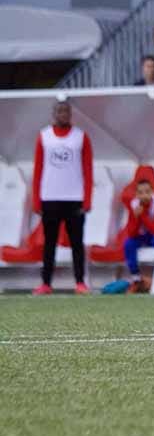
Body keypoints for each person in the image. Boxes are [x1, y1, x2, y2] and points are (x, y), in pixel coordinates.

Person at [31, 99, 93, 295]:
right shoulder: (44, 136)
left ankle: (80, 282)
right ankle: (46, 283)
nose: (63, 114)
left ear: (70, 113)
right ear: (54, 114)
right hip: (49, 197)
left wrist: (87, 199)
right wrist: (36, 199)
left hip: (74, 197)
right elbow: (38, 169)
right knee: (49, 243)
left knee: (77, 243)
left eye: (66, 111)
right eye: (59, 111)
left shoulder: (81, 137)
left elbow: (88, 170)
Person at [122, 179, 154, 289]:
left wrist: (143, 215)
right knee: (128, 244)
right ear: (136, 194)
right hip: (142, 236)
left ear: (152, 192)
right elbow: (131, 233)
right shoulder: (134, 204)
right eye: (140, 193)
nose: (144, 195)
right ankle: (136, 278)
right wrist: (136, 218)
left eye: (147, 192)